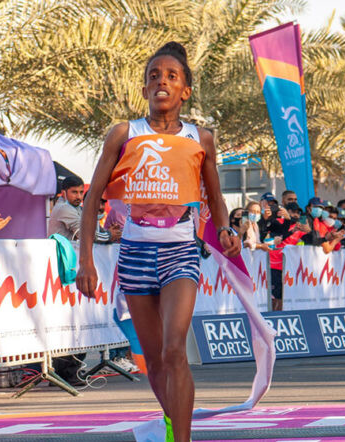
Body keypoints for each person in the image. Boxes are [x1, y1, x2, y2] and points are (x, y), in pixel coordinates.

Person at [75, 42, 241, 442]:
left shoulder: (201, 138)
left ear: (185, 91)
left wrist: (225, 229)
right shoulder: (124, 133)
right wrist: (86, 261)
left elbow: (215, 196)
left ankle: (181, 438)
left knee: (173, 350)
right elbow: (92, 198)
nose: (161, 81)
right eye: (154, 76)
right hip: (134, 253)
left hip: (180, 252)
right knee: (152, 359)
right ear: (145, 89)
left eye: (171, 76)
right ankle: (172, 422)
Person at [48, 175, 85, 241]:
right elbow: (85, 234)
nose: (79, 197)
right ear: (63, 193)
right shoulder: (64, 208)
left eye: (81, 192)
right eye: (74, 192)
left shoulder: (74, 206)